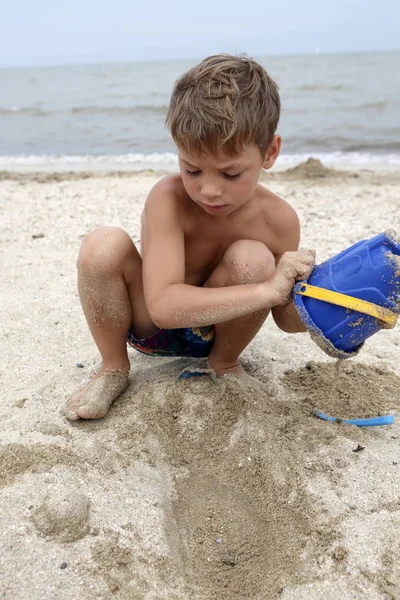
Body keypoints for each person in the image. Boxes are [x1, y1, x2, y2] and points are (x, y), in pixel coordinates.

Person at [64, 54, 315, 421]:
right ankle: (113, 368)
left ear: (270, 152)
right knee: (101, 245)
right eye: (192, 169)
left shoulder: (279, 220)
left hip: (220, 331)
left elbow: (287, 318)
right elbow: (164, 307)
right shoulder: (169, 198)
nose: (209, 190)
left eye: (230, 174)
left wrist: (336, 306)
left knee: (255, 259)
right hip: (151, 326)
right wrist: (267, 290)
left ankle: (224, 364)